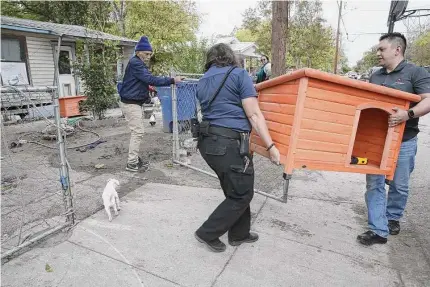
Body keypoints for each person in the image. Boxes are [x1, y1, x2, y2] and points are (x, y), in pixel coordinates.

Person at [194, 43, 281, 252]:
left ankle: (239, 234)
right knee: (241, 194)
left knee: (236, 189)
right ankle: (206, 232)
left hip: (208, 143)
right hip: (229, 144)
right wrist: (271, 146)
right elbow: (253, 114)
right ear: (230, 57)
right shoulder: (239, 75)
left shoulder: (202, 80)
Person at [357, 32, 430, 246]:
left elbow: (428, 100)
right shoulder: (376, 75)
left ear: (397, 49)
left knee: (399, 185)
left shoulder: (415, 73)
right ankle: (377, 229)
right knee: (374, 184)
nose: (377, 53)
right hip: (376, 140)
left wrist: (407, 115)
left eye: (382, 49)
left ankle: (392, 217)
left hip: (405, 140)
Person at [119, 36, 182, 172]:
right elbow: (149, 78)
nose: (148, 56)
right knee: (138, 132)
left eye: (150, 54)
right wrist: (172, 80)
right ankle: (131, 163)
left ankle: (134, 159)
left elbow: (140, 81)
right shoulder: (136, 63)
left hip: (133, 102)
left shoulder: (137, 63)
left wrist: (148, 89)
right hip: (131, 103)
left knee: (137, 132)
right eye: (146, 54)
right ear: (138, 52)